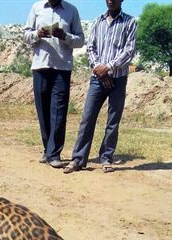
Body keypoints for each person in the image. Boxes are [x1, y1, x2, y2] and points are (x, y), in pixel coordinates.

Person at [63, 0, 136, 174]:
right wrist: (99, 70)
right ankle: (78, 159)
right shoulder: (98, 21)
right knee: (87, 117)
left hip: (118, 78)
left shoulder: (130, 22)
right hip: (97, 78)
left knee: (113, 120)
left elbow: (129, 50)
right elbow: (91, 48)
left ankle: (106, 158)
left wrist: (108, 67)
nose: (111, 0)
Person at [24, 0, 84, 168]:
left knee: (58, 110)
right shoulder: (36, 8)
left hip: (62, 67)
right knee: (43, 109)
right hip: (40, 65)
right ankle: (47, 149)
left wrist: (65, 36)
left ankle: (54, 154)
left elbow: (80, 40)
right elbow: (25, 35)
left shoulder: (72, 10)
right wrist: (38, 34)